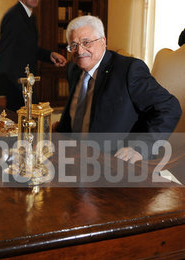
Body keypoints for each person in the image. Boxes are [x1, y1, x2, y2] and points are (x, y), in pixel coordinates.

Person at [56, 15, 181, 163]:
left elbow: (169, 107)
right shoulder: (74, 69)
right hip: (74, 156)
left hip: (113, 161)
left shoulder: (129, 70)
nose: (79, 51)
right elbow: (77, 111)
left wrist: (141, 148)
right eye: (74, 45)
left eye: (86, 42)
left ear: (103, 41)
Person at [0, 0, 66, 111]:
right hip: (15, 87)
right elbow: (5, 54)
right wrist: (7, 91)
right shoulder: (14, 16)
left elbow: (28, 49)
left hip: (25, 85)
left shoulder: (30, 16)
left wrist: (49, 55)